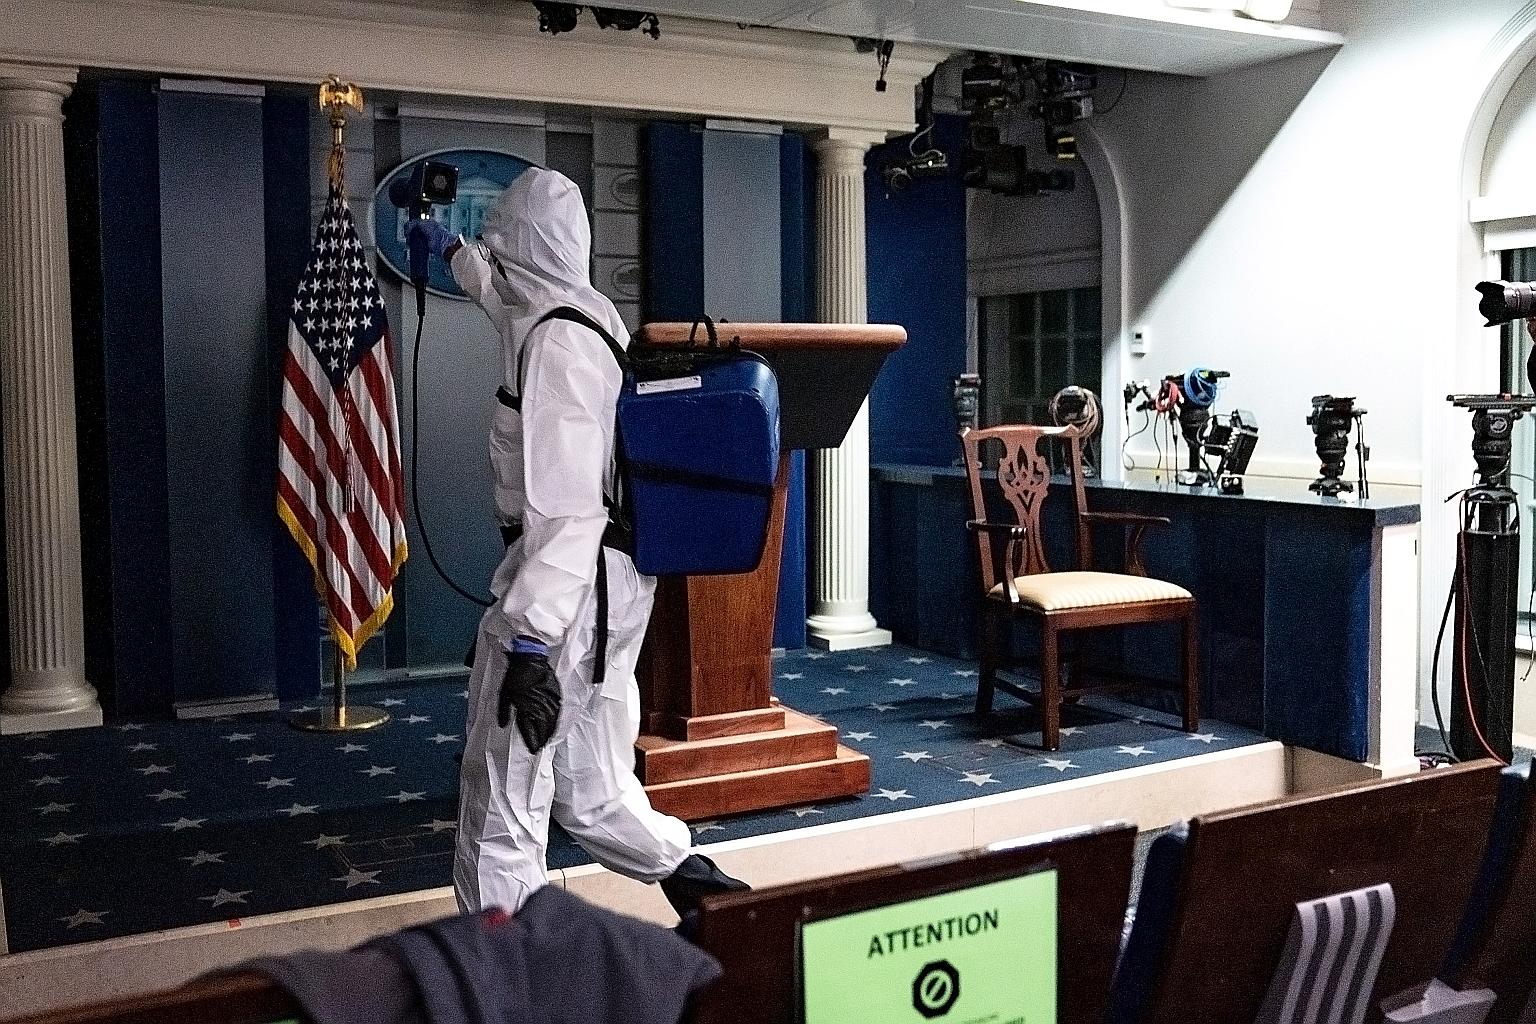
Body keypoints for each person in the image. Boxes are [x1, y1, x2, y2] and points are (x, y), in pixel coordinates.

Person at [407, 167, 747, 920]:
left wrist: (529, 640)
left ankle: (507, 971)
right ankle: (701, 886)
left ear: (522, 247)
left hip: (566, 589)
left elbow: (566, 510)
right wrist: (454, 251)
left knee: (503, 799)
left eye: (500, 246)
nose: (494, 263)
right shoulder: (582, 314)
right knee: (591, 787)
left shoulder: (555, 347)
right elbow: (502, 299)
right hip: (614, 589)